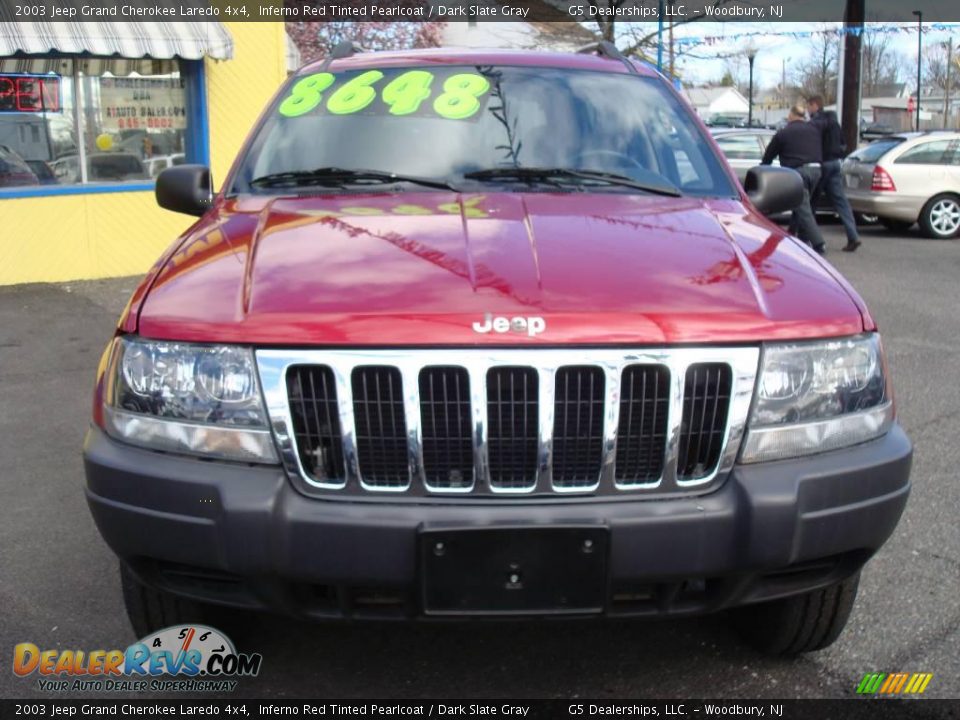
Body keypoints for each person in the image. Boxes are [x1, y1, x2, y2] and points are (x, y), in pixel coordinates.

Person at [761, 105, 826, 254]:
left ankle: (819, 243)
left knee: (803, 209)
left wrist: (763, 167)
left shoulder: (784, 133)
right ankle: (794, 237)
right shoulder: (814, 131)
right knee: (800, 206)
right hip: (817, 170)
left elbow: (769, 155)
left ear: (791, 115)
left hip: (798, 173)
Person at [807, 95, 861, 252]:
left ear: (815, 105)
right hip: (836, 163)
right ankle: (853, 235)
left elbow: (812, 143)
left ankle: (806, 238)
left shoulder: (816, 124)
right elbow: (843, 143)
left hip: (822, 163)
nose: (808, 110)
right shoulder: (835, 123)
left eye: (809, 106)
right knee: (841, 202)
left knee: (810, 202)